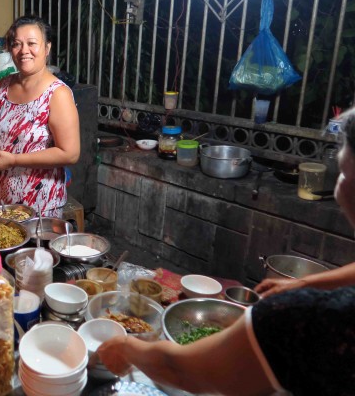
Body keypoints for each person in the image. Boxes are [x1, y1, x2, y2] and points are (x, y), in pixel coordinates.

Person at [97, 106, 355, 396]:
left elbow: (190, 373)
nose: (337, 182)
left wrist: (130, 348)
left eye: (343, 173)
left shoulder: (304, 317)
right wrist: (307, 282)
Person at [0, 16, 80, 215]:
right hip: (1, 199)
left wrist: (14, 160)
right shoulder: (2, 86)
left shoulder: (58, 94)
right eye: (16, 44)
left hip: (41, 205)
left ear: (47, 48)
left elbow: (70, 153)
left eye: (32, 43)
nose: (24, 51)